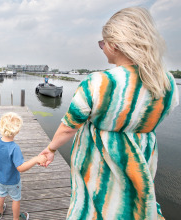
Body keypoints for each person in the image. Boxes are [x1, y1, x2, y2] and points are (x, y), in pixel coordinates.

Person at [39, 7, 179, 220]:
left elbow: (69, 125)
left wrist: (50, 149)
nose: (102, 48)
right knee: (130, 206)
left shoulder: (99, 83)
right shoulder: (167, 83)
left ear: (115, 44)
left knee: (98, 207)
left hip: (99, 163)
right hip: (141, 158)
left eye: (102, 43)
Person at [0, 112, 47, 220]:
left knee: (1, 195)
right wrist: (36, 159)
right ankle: (16, 218)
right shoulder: (14, 148)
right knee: (16, 199)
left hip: (1, 179)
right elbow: (20, 168)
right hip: (13, 181)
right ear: (17, 130)